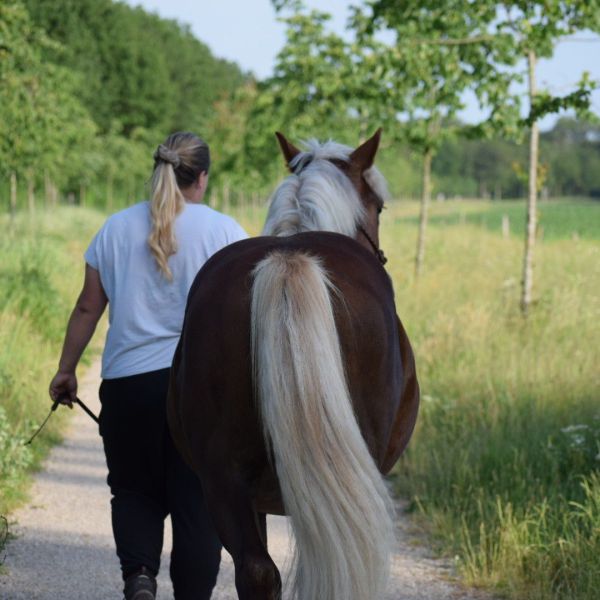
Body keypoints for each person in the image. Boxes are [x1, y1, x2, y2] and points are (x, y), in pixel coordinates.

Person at [49, 132, 248, 600]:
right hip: (202, 392)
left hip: (128, 387)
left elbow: (86, 308)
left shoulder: (114, 229)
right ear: (201, 177)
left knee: (134, 490)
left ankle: (139, 576)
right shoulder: (226, 232)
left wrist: (66, 370)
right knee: (198, 500)